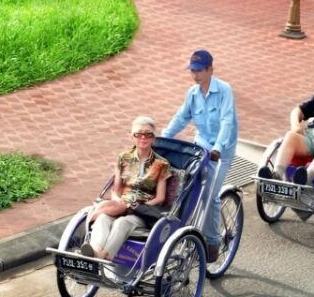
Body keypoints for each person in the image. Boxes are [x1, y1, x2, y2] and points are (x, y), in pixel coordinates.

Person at [162, 49, 238, 262]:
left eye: (198, 71)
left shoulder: (224, 91)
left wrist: (218, 149)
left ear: (210, 70)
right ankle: (188, 231)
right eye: (192, 71)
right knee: (187, 189)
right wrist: (163, 140)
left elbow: (226, 122)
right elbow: (181, 117)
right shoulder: (193, 93)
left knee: (211, 195)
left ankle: (212, 242)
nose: (194, 75)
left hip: (221, 150)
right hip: (202, 145)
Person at [82, 116, 171, 260]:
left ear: (153, 138)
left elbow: (160, 198)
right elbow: (115, 190)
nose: (143, 137)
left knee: (122, 223)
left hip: (141, 212)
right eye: (138, 134)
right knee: (103, 218)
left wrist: (137, 206)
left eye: (148, 134)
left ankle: (103, 257)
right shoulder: (123, 158)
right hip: (121, 206)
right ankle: (94, 251)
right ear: (132, 137)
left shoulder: (162, 163)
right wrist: (119, 202)